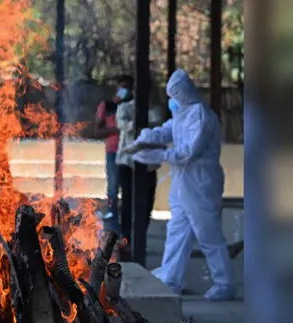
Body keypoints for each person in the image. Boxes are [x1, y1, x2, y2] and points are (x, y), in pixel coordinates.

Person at [132, 69, 235, 301]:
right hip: (182, 182)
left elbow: (189, 152)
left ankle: (224, 283)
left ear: (184, 93)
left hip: (200, 182)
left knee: (208, 233)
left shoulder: (199, 115)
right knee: (177, 231)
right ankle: (171, 279)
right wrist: (148, 137)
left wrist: (159, 155)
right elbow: (168, 130)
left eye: (175, 95)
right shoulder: (182, 112)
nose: (172, 101)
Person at [114, 75, 163, 264]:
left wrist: (142, 125)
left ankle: (140, 238)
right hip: (127, 163)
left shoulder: (155, 110)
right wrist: (139, 124)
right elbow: (123, 125)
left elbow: (155, 124)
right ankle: (127, 241)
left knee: (146, 204)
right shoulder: (124, 107)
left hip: (148, 165)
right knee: (126, 204)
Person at [93, 85, 121, 234]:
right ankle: (113, 229)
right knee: (113, 190)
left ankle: (127, 231)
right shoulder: (108, 106)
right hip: (113, 152)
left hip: (132, 154)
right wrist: (118, 129)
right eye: (122, 86)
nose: (124, 90)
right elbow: (97, 131)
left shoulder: (135, 105)